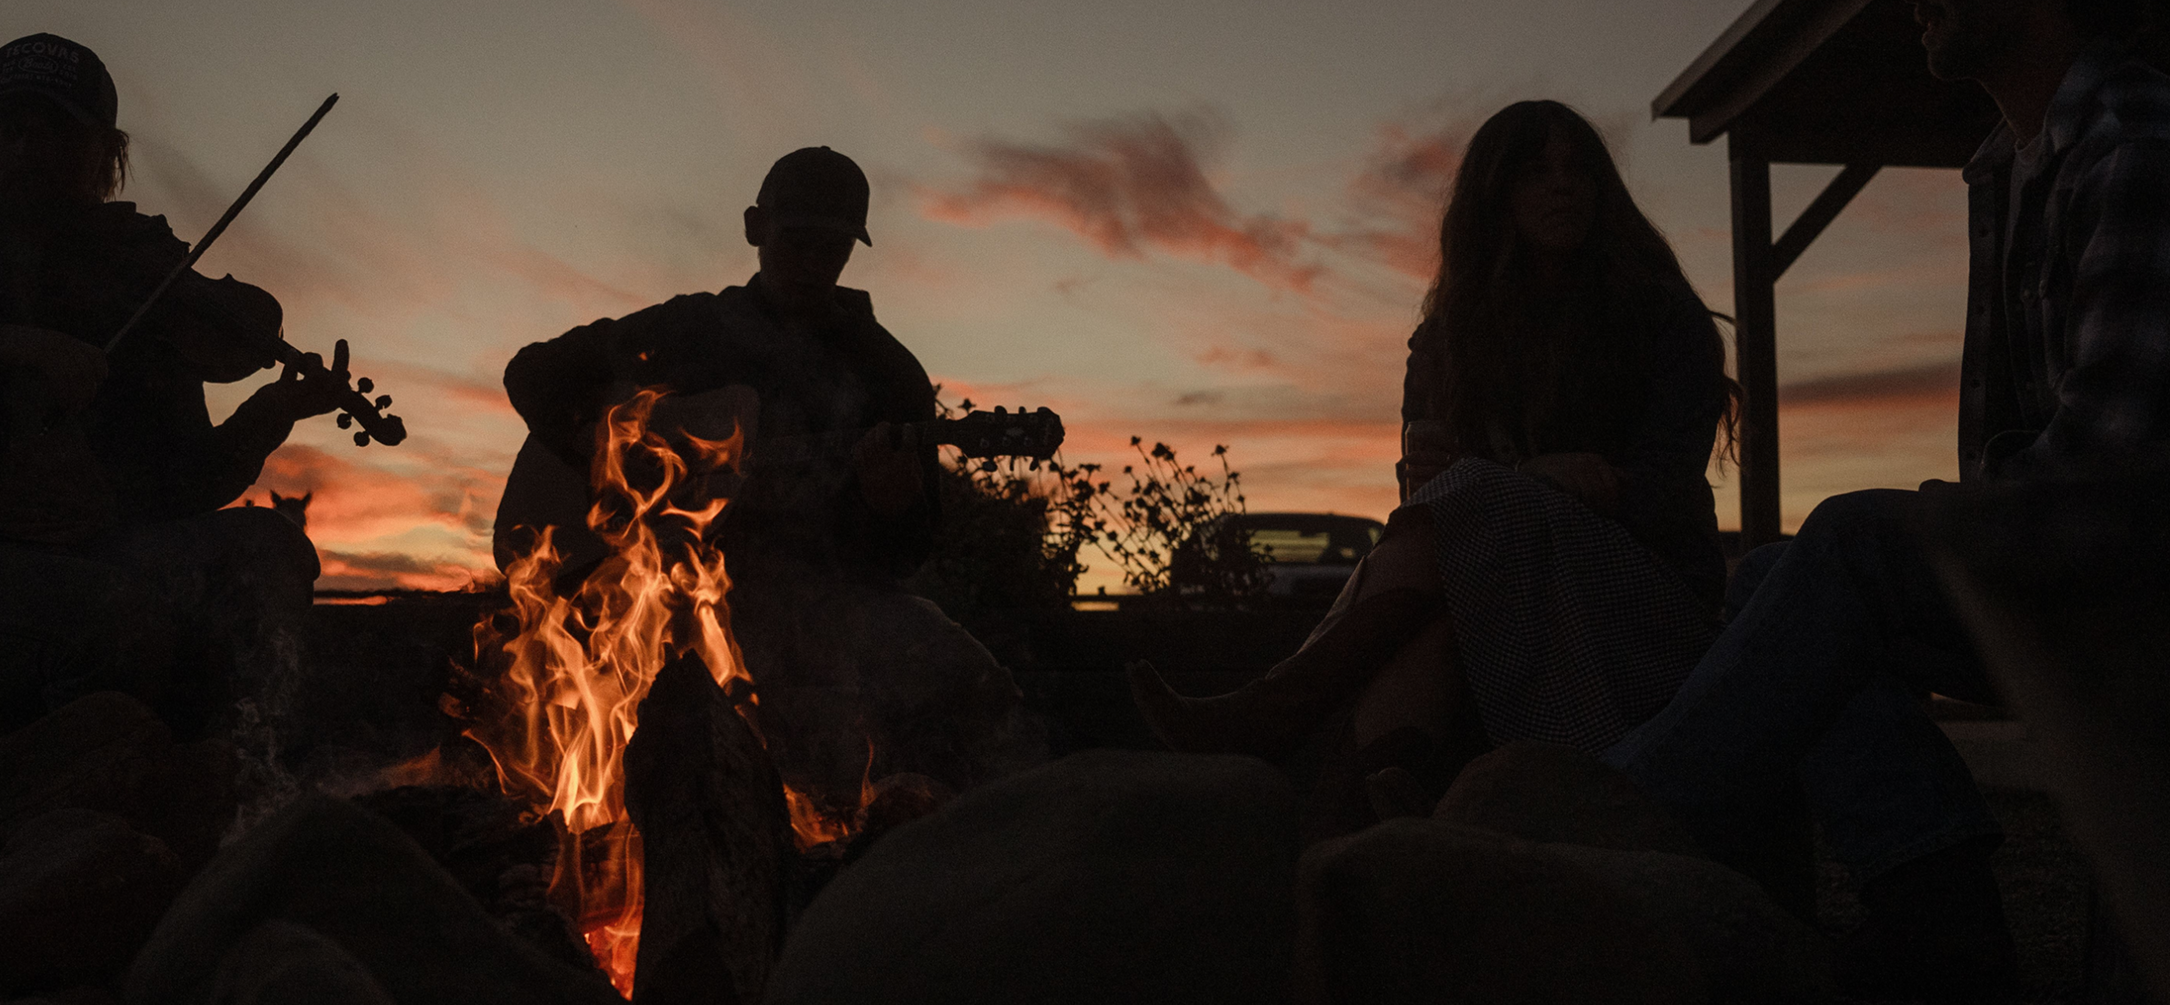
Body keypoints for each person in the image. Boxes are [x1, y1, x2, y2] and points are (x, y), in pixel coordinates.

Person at [1603, 0, 2170, 998]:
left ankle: (1612, 831)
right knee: (1787, 573)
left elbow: (2105, 485)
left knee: (1854, 544)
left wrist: (1934, 528)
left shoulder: (2136, 148)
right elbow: (2015, 457)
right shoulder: (2008, 163)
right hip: (2092, 574)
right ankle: (1939, 915)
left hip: (2134, 577)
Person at [1133, 101, 1736, 833]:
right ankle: (1352, 837)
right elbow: (1426, 503)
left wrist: (1523, 487)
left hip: (1643, 596)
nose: (1563, 187)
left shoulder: (1662, 319)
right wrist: (1503, 479)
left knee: (1475, 506)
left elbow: (1661, 496)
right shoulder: (1450, 340)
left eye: (1580, 171)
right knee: (1436, 620)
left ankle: (1275, 715)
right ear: (1496, 194)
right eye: (1536, 171)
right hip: (1495, 589)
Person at [0, 34, 349, 770]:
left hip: (101, 554)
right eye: (11, 127)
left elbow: (180, 486)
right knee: (112, 620)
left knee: (271, 554)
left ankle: (243, 787)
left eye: (61, 133)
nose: (31, 149)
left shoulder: (132, 276)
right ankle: (52, 825)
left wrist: (267, 417)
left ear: (107, 156)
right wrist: (3, 344)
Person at [502, 147, 1037, 809]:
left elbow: (900, 557)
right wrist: (607, 453)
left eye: (833, 248)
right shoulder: (694, 330)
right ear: (756, 227)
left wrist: (891, 505)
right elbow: (532, 372)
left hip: (819, 605)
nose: (814, 264)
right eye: (798, 242)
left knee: (976, 688)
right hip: (666, 599)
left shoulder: (888, 375)